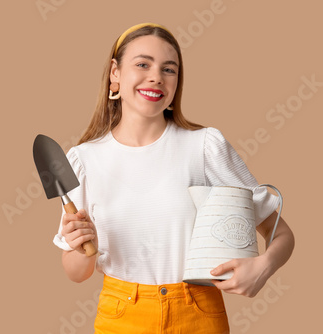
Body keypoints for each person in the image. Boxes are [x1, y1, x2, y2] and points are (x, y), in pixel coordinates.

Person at [52, 22, 295, 334]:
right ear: (115, 73)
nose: (156, 77)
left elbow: (282, 235)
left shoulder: (205, 146)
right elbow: (76, 273)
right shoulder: (83, 160)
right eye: (143, 64)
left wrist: (264, 266)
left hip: (198, 314)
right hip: (121, 316)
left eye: (169, 69)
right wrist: (84, 247)